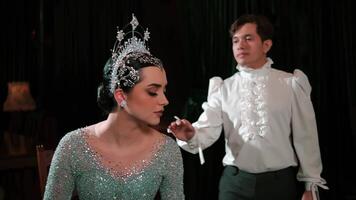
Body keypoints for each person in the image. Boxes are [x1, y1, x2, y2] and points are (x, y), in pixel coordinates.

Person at [169, 14, 327, 200]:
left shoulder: (290, 84)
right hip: (235, 184)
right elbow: (207, 130)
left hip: (279, 184)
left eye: (248, 38)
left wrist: (311, 185)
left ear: (266, 45)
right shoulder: (223, 88)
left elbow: (306, 137)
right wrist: (190, 135)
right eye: (235, 40)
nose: (240, 45)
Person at [44, 14, 184, 200]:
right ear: (121, 96)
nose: (165, 101)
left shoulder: (167, 150)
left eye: (164, 90)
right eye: (152, 92)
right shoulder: (73, 146)